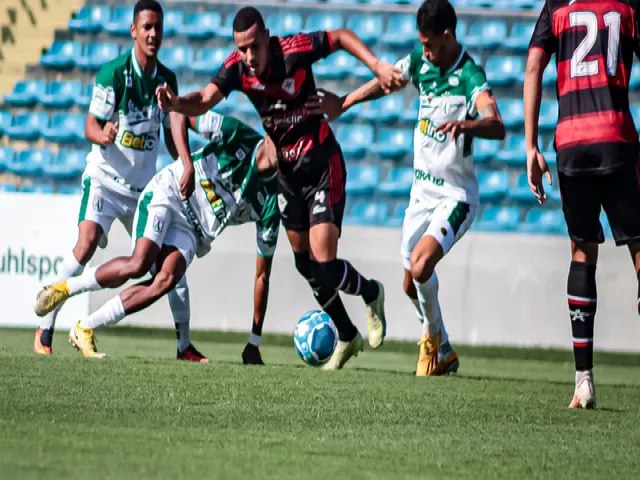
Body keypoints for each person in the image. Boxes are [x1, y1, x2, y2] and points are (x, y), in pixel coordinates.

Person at [155, 6, 405, 369]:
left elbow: (341, 36)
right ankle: (347, 335)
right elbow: (206, 98)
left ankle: (371, 292)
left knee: (323, 260)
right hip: (288, 177)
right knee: (305, 264)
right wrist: (176, 103)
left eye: (253, 46)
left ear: (267, 38)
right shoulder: (238, 70)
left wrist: (377, 66)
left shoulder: (293, 50)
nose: (248, 57)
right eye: (241, 49)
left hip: (322, 165)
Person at [308, 0, 504, 376]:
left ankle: (431, 341)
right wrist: (344, 103)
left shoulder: (469, 75)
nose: (424, 51)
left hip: (455, 195)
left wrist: (469, 125)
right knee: (409, 285)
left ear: (447, 36)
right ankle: (443, 349)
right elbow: (387, 83)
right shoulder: (420, 62)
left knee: (421, 266)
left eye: (429, 44)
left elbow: (497, 123)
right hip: (421, 194)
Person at [32, 0, 208, 362]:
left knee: (168, 265)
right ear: (133, 30)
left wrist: (185, 167)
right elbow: (89, 126)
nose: (153, 34)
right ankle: (46, 328)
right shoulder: (113, 74)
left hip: (143, 191)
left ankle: (183, 345)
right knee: (86, 244)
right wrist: (104, 134)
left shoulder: (167, 80)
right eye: (146, 27)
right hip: (105, 181)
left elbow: (173, 134)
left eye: (158, 27)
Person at [33, 111, 280, 361]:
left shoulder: (273, 202)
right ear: (271, 135)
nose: (292, 154)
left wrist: (254, 340)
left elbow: (262, 275)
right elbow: (179, 115)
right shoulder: (237, 133)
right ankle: (65, 288)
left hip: (192, 230)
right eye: (287, 143)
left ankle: (84, 328)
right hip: (170, 193)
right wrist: (186, 165)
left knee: (166, 281)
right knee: (139, 263)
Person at [525, 0, 640, 409]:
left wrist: (530, 148)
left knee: (581, 251)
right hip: (616, 138)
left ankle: (583, 382)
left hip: (571, 144)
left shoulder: (557, 5)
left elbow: (534, 66)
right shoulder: (626, 4)